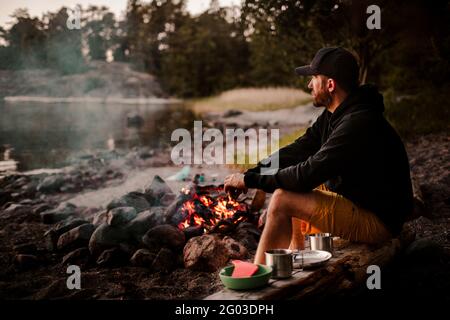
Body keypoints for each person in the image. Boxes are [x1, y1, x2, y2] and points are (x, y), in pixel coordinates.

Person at [224, 47, 414, 264]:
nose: (309, 84)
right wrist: (252, 173)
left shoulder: (357, 123)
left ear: (330, 85)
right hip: (357, 199)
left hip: (379, 221)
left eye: (314, 78)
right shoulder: (336, 114)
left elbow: (307, 173)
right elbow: (298, 150)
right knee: (289, 185)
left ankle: (256, 281)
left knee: (282, 198)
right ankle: (295, 255)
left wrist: (250, 181)